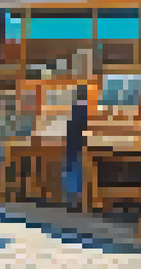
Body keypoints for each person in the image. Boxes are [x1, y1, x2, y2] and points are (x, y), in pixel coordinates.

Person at [64, 83, 89, 213]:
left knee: (71, 171)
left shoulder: (72, 111)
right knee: (79, 172)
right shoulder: (87, 111)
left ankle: (72, 200)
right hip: (82, 148)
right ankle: (79, 200)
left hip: (71, 146)